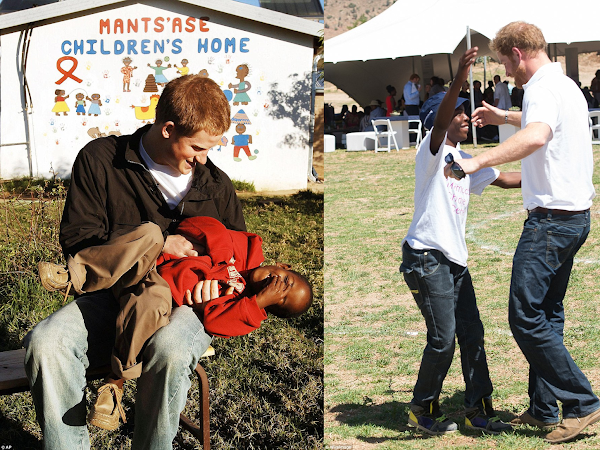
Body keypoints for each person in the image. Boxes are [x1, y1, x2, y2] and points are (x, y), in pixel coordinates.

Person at [24, 74, 246, 449]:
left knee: (171, 350)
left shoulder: (216, 186)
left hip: (183, 303)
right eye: (195, 147)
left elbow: (237, 260)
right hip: (110, 294)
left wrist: (217, 285)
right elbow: (80, 240)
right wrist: (156, 247)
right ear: (167, 129)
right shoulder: (101, 161)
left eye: (210, 148)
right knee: (46, 343)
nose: (202, 159)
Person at [450, 21, 600, 444]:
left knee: (525, 315)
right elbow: (537, 120)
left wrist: (478, 161)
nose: (506, 71)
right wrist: (504, 116)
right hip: (574, 217)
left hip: (551, 223)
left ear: (517, 53)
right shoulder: (564, 84)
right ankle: (542, 408)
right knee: (547, 314)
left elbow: (538, 132)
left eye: (504, 62)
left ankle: (582, 403)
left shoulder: (537, 88)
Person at [40, 216, 313, 430]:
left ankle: (116, 382)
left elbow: (215, 320)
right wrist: (221, 259)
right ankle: (75, 273)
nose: (277, 286)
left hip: (156, 288)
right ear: (283, 265)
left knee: (153, 305)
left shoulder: (241, 306)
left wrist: (255, 303)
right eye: (285, 281)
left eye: (279, 299)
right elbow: (198, 224)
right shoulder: (244, 248)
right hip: (144, 261)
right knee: (150, 233)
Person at [400, 47, 520, 437]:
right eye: (459, 111)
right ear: (441, 119)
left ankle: (477, 410)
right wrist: (457, 78)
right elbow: (439, 123)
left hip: (454, 261)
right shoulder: (431, 152)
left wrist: (549, 175)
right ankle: (421, 409)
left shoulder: (464, 158)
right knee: (442, 339)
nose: (466, 116)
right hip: (426, 257)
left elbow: (504, 179)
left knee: (472, 333)